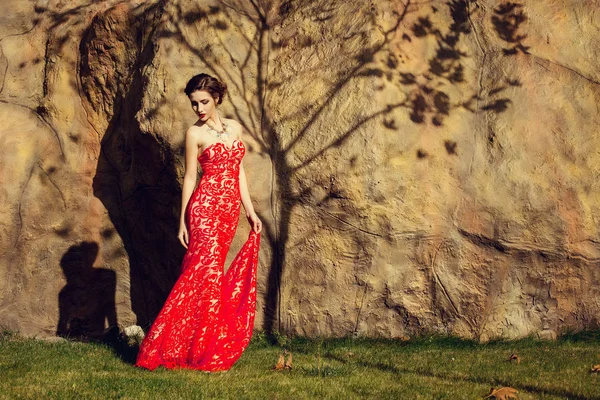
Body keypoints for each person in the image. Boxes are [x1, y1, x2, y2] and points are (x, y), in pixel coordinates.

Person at [135, 73, 262, 372]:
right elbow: (191, 177)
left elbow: (238, 171)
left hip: (229, 210)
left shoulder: (235, 128)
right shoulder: (194, 134)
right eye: (194, 104)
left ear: (217, 98)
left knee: (212, 277)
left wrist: (250, 210)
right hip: (204, 209)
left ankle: (201, 345)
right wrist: (182, 220)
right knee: (199, 274)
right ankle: (162, 345)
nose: (199, 109)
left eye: (204, 102)